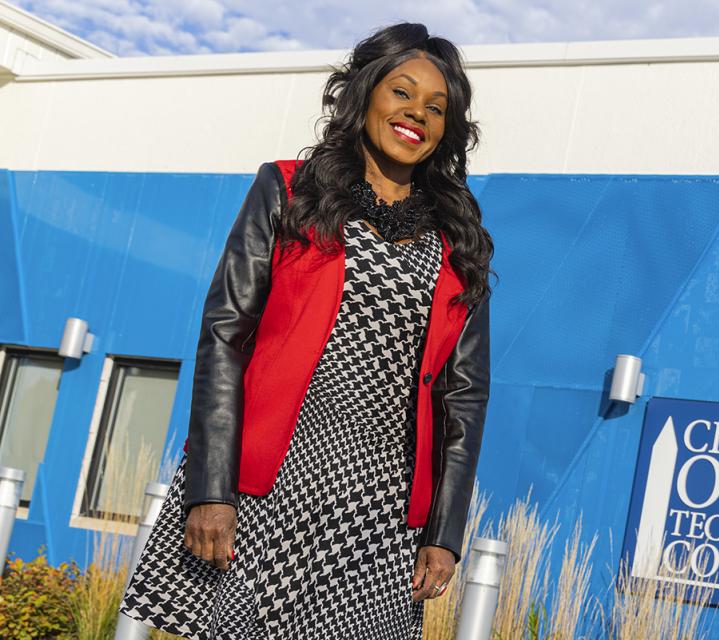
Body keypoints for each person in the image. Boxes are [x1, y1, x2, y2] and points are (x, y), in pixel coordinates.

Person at [118, 21, 494, 640]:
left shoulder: (460, 243)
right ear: (366, 92)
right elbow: (224, 337)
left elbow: (464, 398)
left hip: (380, 517)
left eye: (437, 106)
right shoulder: (288, 191)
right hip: (269, 486)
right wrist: (212, 489)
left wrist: (445, 534)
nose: (417, 114)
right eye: (402, 92)